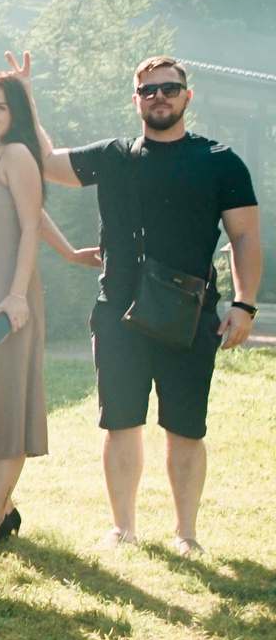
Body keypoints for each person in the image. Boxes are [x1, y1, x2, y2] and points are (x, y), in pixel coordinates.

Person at [14, 53, 260, 555]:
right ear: (136, 100)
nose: (160, 97)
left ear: (187, 96)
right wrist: (27, 97)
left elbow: (245, 237)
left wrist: (244, 303)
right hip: (118, 311)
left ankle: (186, 535)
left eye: (169, 89)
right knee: (120, 421)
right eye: (149, 91)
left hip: (190, 315)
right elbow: (46, 163)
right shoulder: (114, 155)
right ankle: (123, 529)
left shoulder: (221, 160)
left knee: (185, 427)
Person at [0, 71, 87, 547]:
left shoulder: (18, 154)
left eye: (0, 107)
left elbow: (29, 224)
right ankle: (4, 510)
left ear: (14, 116)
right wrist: (69, 251)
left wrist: (18, 294)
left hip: (11, 300)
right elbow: (37, 213)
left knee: (6, 406)